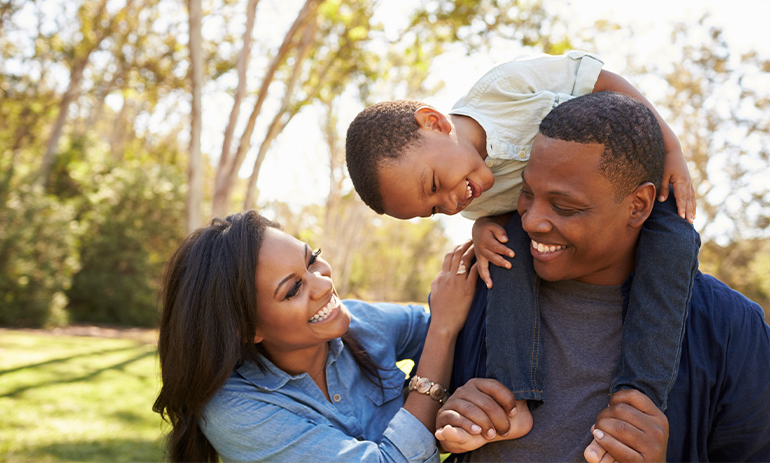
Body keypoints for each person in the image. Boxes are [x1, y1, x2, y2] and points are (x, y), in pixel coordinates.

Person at [345, 50, 700, 430]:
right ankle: (511, 399)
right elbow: (508, 212)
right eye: (433, 209)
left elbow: (603, 82)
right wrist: (482, 227)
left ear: (433, 123)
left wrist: (670, 148)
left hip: (626, 186)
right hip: (551, 225)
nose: (449, 204)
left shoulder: (503, 89)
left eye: (434, 185)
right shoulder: (470, 198)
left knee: (676, 240)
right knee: (503, 255)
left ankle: (638, 400)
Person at [433, 92, 770, 461]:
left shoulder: (731, 329)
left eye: (565, 207)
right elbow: (410, 424)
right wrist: (448, 417)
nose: (530, 221)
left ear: (638, 205)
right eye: (527, 193)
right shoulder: (479, 289)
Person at [152, 210, 518, 462]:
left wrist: (488, 229)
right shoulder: (236, 412)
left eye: (312, 260)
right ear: (248, 330)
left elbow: (468, 334)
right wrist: (442, 331)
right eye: (293, 289)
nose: (324, 283)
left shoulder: (360, 322)